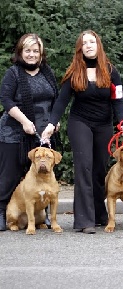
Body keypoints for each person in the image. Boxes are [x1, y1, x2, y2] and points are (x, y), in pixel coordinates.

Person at [41, 30, 123, 234]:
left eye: (92, 42)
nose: (89, 45)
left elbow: (118, 101)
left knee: (99, 169)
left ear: (98, 45)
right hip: (79, 122)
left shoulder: (110, 71)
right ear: (79, 48)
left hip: (104, 125)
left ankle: (100, 214)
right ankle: (84, 220)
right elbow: (61, 101)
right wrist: (51, 123)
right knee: (84, 167)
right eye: (84, 43)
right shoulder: (74, 72)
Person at [0, 33, 59, 231]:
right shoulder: (13, 73)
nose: (32, 54)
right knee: (10, 176)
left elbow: (55, 102)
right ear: (20, 52)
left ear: (41, 54)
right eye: (28, 50)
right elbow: (6, 100)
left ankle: (44, 214)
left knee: (42, 175)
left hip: (42, 134)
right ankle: (2, 212)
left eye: (36, 51)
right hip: (14, 131)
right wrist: (25, 121)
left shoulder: (47, 73)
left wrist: (54, 122)